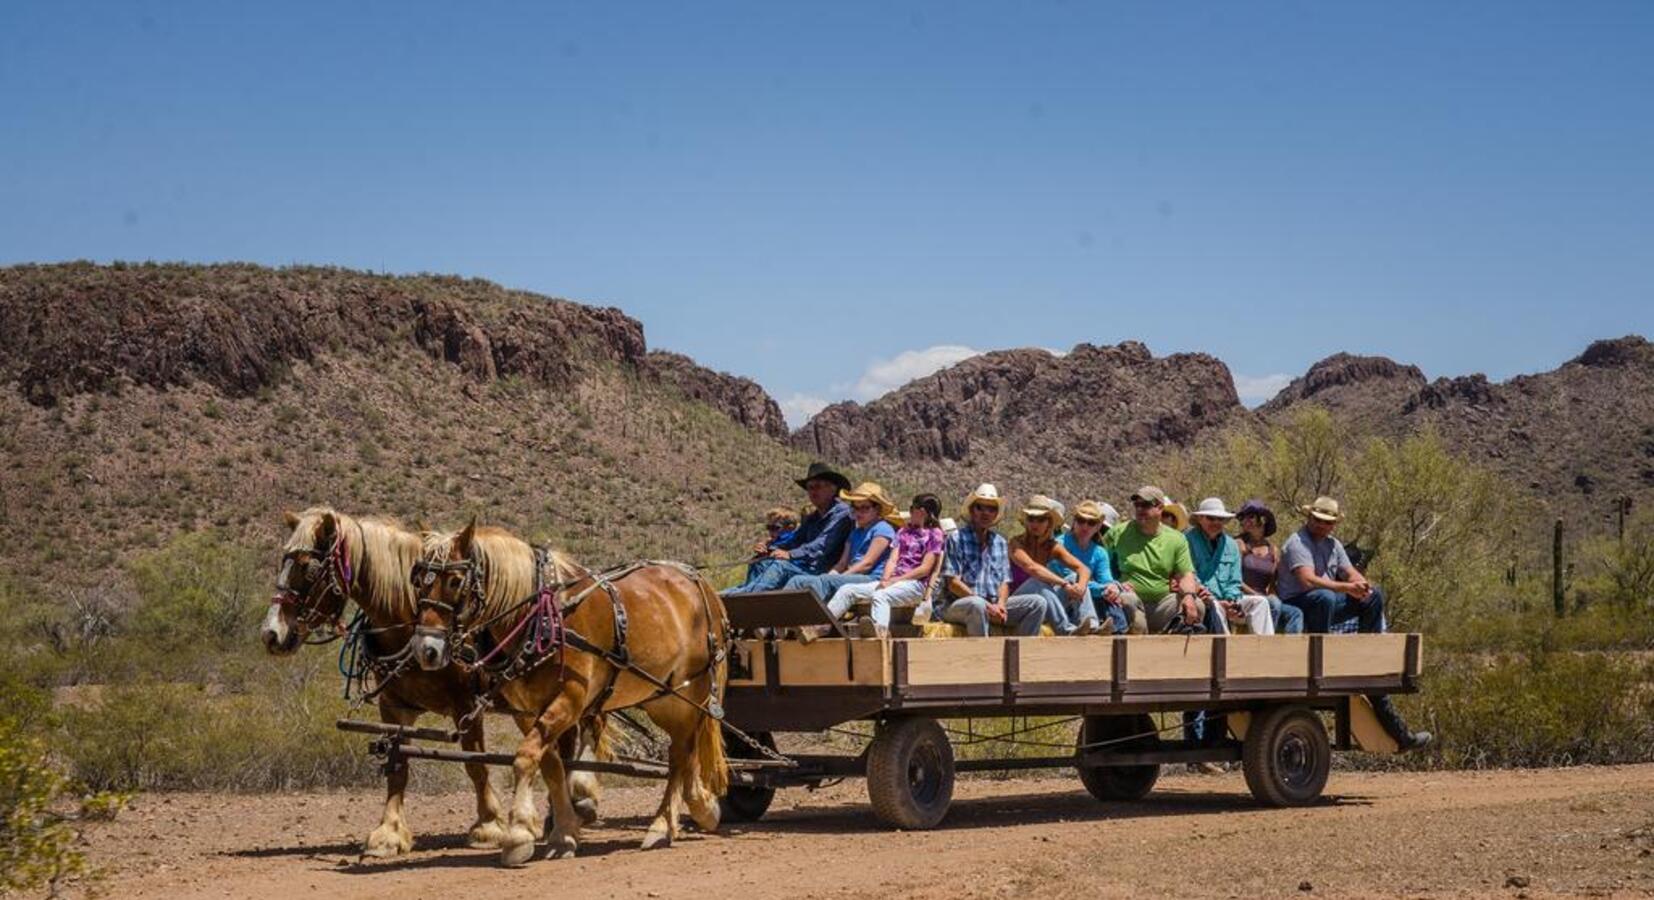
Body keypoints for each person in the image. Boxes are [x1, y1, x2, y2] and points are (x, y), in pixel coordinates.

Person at [1278, 496, 1432, 751]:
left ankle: (1367, 650)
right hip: (1299, 603)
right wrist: (1347, 588)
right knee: (1325, 597)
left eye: (1327, 522)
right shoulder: (1297, 543)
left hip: (1325, 602)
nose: (1320, 525)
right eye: (1317, 520)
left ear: (1334, 525)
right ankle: (1320, 655)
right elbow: (1307, 581)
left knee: (1373, 596)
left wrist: (1361, 586)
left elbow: (1349, 572)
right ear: (1309, 518)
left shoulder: (1334, 545)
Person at [814, 493, 946, 640]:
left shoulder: (935, 534)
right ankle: (821, 627)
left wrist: (894, 581)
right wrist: (885, 579)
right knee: (847, 590)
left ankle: (880, 632)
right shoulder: (904, 532)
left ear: (921, 511)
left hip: (915, 584)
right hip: (894, 582)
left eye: (911, 509)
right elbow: (892, 560)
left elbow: (925, 569)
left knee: (881, 596)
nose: (909, 513)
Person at [724, 462, 853, 595]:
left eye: (818, 486)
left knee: (780, 567)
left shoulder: (842, 514)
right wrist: (769, 550)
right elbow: (795, 540)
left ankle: (745, 599)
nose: (813, 491)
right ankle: (742, 595)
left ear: (832, 489)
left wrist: (790, 554)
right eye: (810, 488)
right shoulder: (813, 517)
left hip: (822, 571)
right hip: (805, 566)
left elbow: (822, 546)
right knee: (759, 562)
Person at [939, 484, 1047, 637]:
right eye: (980, 507)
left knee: (1037, 603)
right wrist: (987, 605)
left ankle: (1020, 655)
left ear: (996, 514)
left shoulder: (1000, 542)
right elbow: (953, 584)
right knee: (977, 605)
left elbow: (1004, 581)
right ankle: (984, 656)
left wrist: (1001, 605)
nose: (986, 513)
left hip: (994, 603)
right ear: (972, 510)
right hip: (960, 603)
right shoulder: (956, 538)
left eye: (991, 509)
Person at [1102, 486, 1204, 633]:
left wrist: (1188, 596)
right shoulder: (1118, 533)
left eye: (1146, 505)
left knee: (1197, 605)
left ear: (1160, 507)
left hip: (1162, 604)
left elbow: (1186, 575)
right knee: (1127, 601)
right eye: (1137, 505)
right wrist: (1114, 584)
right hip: (1131, 601)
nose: (1140, 509)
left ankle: (1173, 648)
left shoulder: (1176, 539)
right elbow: (1100, 563)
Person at [785, 481, 897, 603]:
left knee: (824, 581)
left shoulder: (883, 529)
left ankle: (813, 618)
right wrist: (831, 575)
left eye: (865, 508)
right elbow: (842, 563)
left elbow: (867, 564)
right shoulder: (855, 532)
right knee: (798, 580)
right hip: (851, 574)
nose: (859, 512)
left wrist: (840, 577)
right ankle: (779, 617)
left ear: (877, 509)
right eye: (855, 508)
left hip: (870, 578)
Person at [1007, 496, 1101, 635]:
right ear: (1026, 521)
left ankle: (1092, 626)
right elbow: (1032, 568)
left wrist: (1079, 587)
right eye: (1031, 519)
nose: (1035, 524)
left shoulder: (1052, 546)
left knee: (1074, 577)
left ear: (1049, 522)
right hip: (1018, 601)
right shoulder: (1016, 544)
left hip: (1044, 601)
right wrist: (1064, 584)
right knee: (1037, 582)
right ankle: (1066, 630)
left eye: (1041, 519)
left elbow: (1083, 569)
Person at [1186, 498, 1274, 636]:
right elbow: (1188, 574)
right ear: (1200, 519)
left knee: (1260, 603)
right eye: (1211, 518)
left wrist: (1231, 601)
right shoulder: (1187, 540)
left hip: (1228, 599)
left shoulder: (1231, 544)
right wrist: (1214, 599)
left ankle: (1265, 649)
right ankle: (1225, 650)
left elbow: (1235, 580)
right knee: (1216, 607)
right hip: (1204, 599)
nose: (1216, 523)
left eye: (1220, 519)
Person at [1048, 499, 1129, 635]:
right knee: (1075, 578)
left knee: (1113, 591)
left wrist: (1110, 588)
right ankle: (1092, 624)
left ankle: (1119, 630)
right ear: (1074, 522)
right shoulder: (1059, 544)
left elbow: (1106, 580)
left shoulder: (1099, 552)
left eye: (1091, 523)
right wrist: (1103, 589)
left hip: (1080, 598)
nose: (1085, 526)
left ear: (1098, 526)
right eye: (1081, 520)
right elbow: (1071, 582)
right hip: (1057, 596)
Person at [1235, 499, 1304, 634]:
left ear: (1263, 520)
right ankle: (1265, 646)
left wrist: (1270, 596)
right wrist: (1259, 596)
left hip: (1267, 599)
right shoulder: (1239, 544)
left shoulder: (1273, 550)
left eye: (1251, 516)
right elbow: (1235, 579)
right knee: (1272, 604)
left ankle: (1293, 650)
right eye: (1243, 517)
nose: (1246, 521)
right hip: (1243, 597)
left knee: (1295, 613)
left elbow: (1272, 585)